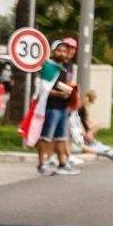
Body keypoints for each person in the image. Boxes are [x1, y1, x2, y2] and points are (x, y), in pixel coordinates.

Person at [37, 38, 80, 176]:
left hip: (62, 107)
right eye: (59, 50)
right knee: (46, 137)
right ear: (53, 51)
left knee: (61, 137)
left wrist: (69, 91)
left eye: (64, 51)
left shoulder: (63, 67)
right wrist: (61, 93)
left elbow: (62, 84)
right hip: (50, 107)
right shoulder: (48, 66)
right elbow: (45, 89)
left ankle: (62, 163)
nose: (62, 53)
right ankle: (42, 164)